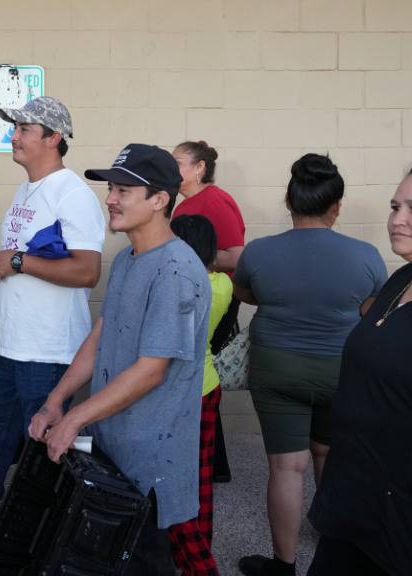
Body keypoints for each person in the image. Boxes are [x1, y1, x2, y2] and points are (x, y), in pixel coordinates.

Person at [29, 143, 211, 575]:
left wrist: (74, 419)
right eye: (111, 188)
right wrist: (57, 401)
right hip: (114, 447)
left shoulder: (176, 271)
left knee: (146, 561)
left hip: (151, 462)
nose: (110, 198)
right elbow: (101, 335)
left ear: (159, 200)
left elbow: (151, 371)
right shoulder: (128, 258)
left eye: (123, 191)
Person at [0, 96, 105, 528]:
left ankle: (43, 527)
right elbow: (9, 254)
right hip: (12, 343)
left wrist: (18, 263)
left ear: (54, 137)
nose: (14, 136)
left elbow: (87, 271)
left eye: (25, 129)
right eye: (16, 128)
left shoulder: (73, 195)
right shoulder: (26, 190)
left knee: (44, 441)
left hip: (48, 350)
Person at [233, 154, 387, 576]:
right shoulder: (367, 256)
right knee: (327, 452)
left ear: (289, 200)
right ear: (337, 206)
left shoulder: (259, 252)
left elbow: (246, 293)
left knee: (286, 466)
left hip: (277, 368)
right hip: (340, 370)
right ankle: (331, 542)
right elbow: (370, 309)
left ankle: (283, 566)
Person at [306, 169, 412, 576]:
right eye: (395, 206)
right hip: (354, 489)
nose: (397, 219)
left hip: (397, 513)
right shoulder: (400, 279)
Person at [172, 140, 245, 483]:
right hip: (192, 293)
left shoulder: (215, 200)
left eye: (178, 162)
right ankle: (210, 463)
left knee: (199, 373)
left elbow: (237, 255)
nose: (171, 169)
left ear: (199, 168)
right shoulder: (185, 203)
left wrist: (195, 257)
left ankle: (210, 465)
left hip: (212, 298)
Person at [169, 214, 233, 575]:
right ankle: (200, 543)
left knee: (173, 479)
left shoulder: (176, 286)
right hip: (207, 385)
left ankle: (193, 558)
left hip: (175, 391)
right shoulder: (222, 284)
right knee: (201, 474)